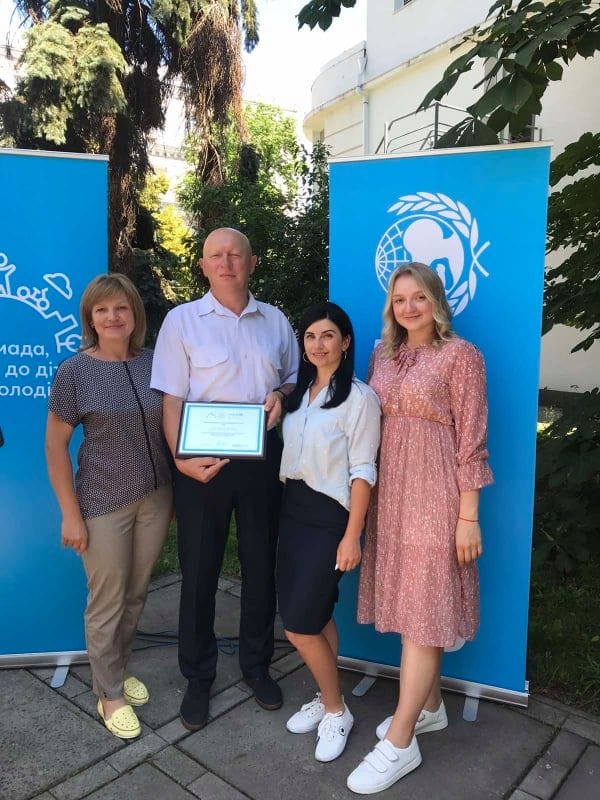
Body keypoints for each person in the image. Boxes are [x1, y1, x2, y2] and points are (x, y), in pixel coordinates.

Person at [346, 262, 493, 795]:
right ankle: (430, 709)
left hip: (437, 496)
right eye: (399, 299)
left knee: (425, 612)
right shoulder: (383, 355)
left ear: (436, 302)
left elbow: (472, 442)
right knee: (410, 604)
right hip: (391, 496)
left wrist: (467, 515)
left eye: (418, 298)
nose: (408, 308)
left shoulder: (462, 357)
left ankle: (401, 742)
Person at [151, 227, 299, 731]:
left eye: (236, 253)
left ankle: (257, 666)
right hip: (201, 463)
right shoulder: (181, 321)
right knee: (199, 571)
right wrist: (178, 459)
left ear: (252, 262)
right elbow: (171, 398)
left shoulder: (275, 320)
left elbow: (290, 379)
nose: (227, 261)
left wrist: (281, 394)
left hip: (261, 461)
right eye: (217, 254)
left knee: (261, 567)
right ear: (203, 264)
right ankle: (198, 676)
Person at [46, 274, 172, 740]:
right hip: (101, 502)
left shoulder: (155, 364)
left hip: (156, 497)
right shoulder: (75, 371)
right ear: (90, 318)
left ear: (134, 314)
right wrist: (70, 513)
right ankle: (109, 693)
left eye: (121, 308)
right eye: (102, 310)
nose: (113, 317)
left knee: (137, 593)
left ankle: (115, 670)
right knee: (107, 601)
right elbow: (56, 447)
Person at [278, 302, 380, 763]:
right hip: (293, 510)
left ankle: (338, 711)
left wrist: (352, 534)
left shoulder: (360, 398)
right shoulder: (298, 395)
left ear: (346, 341)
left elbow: (363, 469)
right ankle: (325, 694)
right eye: (310, 336)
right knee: (316, 616)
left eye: (327, 336)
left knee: (298, 626)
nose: (318, 345)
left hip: (330, 516)